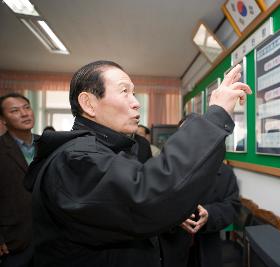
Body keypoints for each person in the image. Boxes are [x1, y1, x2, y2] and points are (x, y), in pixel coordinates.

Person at [24, 60, 251, 267]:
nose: (136, 103)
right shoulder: (76, 160)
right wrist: (216, 115)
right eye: (125, 92)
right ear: (89, 103)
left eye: (135, 93)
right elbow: (146, 196)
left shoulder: (103, 150)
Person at [159, 162, 240, 267]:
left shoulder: (225, 172)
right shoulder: (166, 168)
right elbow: (153, 205)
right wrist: (175, 216)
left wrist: (209, 214)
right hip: (173, 247)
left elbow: (233, 207)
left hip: (208, 248)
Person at [0, 93, 38, 267]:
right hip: (14, 240)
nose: (24, 114)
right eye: (15, 110)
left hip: (51, 238)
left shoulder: (47, 144)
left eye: (27, 108)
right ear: (3, 119)